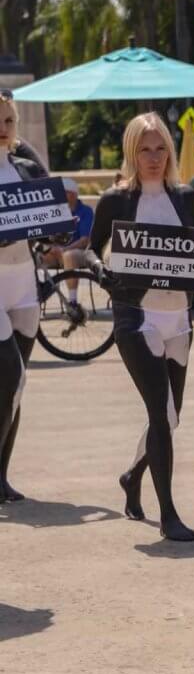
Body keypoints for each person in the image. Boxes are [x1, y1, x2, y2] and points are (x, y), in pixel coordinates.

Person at [84, 113, 194, 541]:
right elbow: (89, 251)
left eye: (161, 148)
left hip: (179, 318)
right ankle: (169, 517)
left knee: (171, 416)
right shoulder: (115, 199)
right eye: (145, 148)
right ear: (131, 152)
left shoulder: (185, 198)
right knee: (160, 416)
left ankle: (132, 476)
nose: (154, 157)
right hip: (135, 317)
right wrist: (99, 270)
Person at [0, 93, 48, 503]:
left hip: (24, 283)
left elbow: (50, 221)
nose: (2, 128)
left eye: (8, 121)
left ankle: (2, 476)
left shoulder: (27, 169)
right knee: (9, 375)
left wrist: (60, 232)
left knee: (17, 387)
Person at [39, 178, 94, 306]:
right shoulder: (55, 211)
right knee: (34, 258)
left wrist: (64, 249)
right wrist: (50, 247)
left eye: (63, 192)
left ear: (73, 194)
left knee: (69, 256)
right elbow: (47, 236)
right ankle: (36, 297)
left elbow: (84, 240)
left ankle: (72, 301)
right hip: (56, 253)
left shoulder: (85, 211)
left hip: (79, 252)